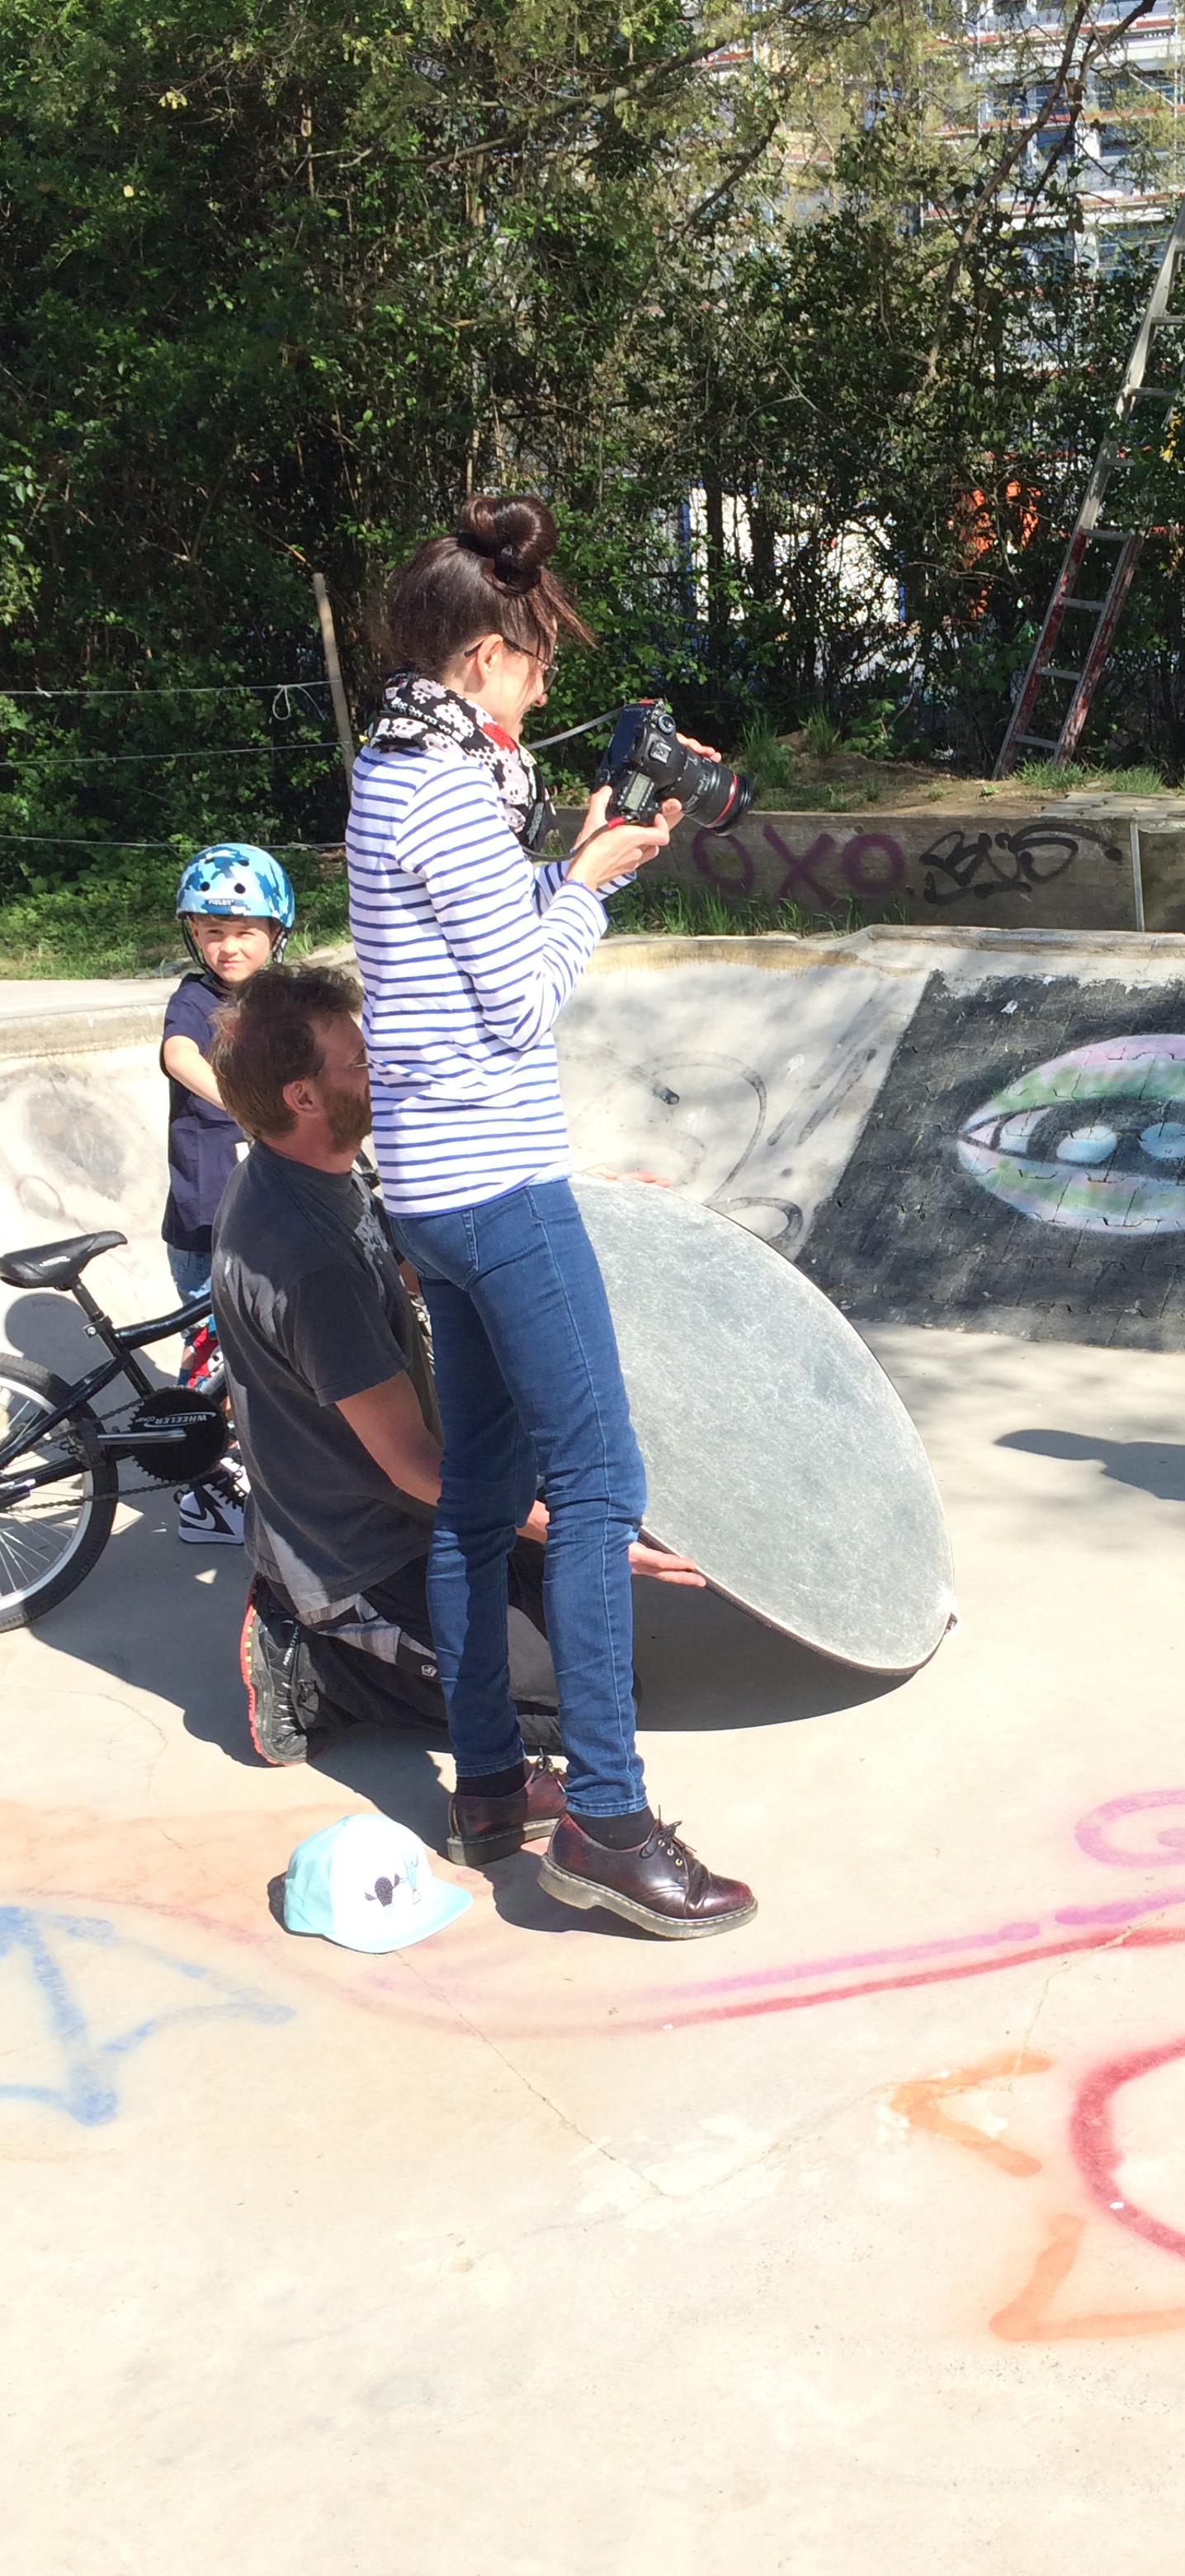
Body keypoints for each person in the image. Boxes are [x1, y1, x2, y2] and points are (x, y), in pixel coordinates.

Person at [347, 490, 756, 1941]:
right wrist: (593, 882)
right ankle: (606, 1817)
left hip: (430, 1195)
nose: (544, 684)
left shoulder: (390, 767)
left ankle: (487, 1786)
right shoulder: (449, 788)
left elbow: (469, 942)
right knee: (596, 1485)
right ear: (478, 662)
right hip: (499, 1188)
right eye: (530, 663)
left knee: (474, 1497)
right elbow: (518, 992)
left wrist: (561, 861)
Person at [205, 962, 696, 1864]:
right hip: (359, 1552)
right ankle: (312, 1658)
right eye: (362, 1063)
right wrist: (580, 1527)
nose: (383, 1072)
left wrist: (600, 1205)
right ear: (303, 1095)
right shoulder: (304, 1259)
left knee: (586, 1627)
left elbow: (441, 1233)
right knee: (566, 1692)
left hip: (420, 1507)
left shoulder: (320, 1166)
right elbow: (409, 1465)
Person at [159, 843, 291, 1542]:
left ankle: (251, 1467)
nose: (227, 946)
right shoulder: (196, 999)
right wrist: (241, 1102)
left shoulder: (280, 1003)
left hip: (263, 1210)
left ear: (276, 932)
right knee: (210, 1359)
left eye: (244, 931)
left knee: (257, 1356)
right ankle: (201, 1494)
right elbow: (179, 1053)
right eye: (212, 932)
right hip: (208, 1216)